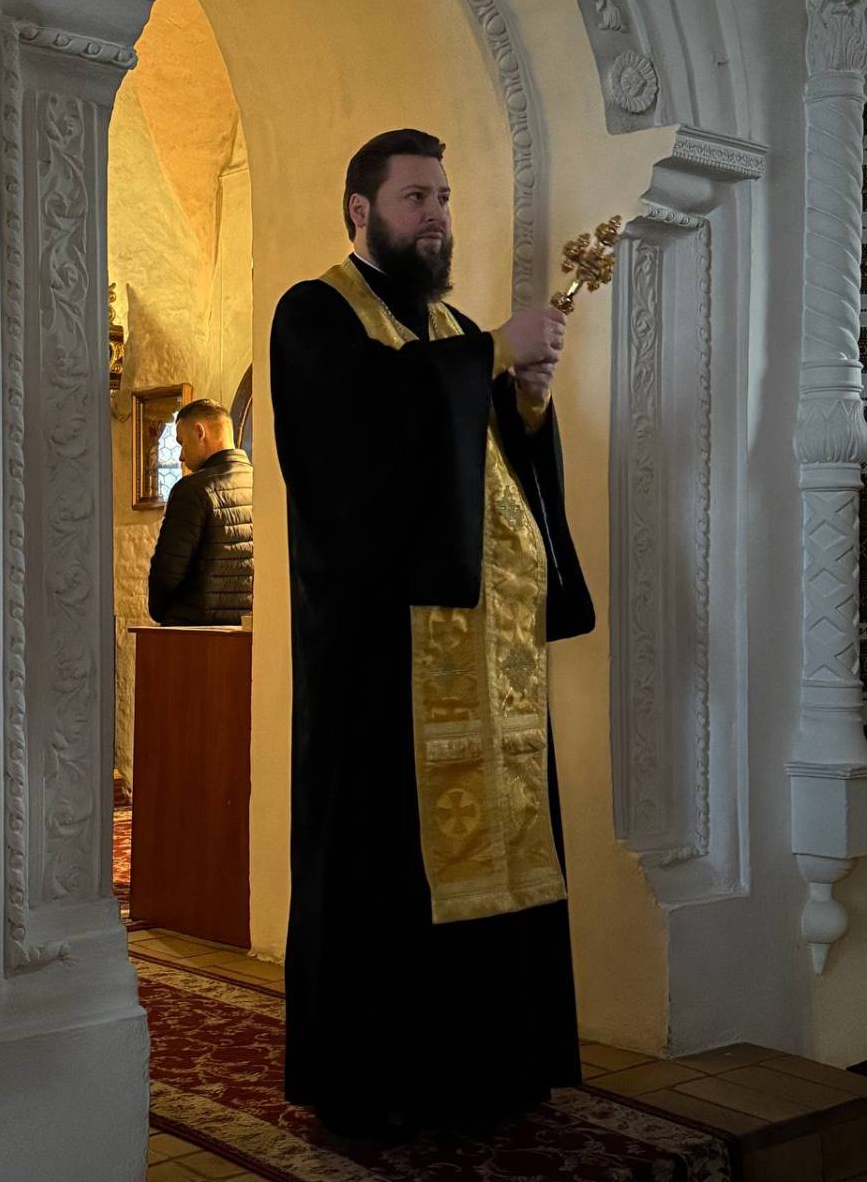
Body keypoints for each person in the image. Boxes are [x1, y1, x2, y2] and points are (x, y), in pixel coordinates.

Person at [270, 128, 595, 1137]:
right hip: (379, 662)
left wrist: (528, 406)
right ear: (360, 211)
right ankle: (378, 1086)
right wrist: (493, 353)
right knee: (384, 870)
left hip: (486, 654)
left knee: (500, 848)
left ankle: (494, 1069)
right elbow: (357, 431)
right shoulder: (316, 312)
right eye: (416, 197)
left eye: (444, 197)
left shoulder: (450, 325)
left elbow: (497, 469)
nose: (437, 216)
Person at [148, 398, 254, 626]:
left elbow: (167, 574)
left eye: (181, 442)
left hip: (195, 629)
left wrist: (162, 613)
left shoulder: (192, 489)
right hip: (250, 631)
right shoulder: (262, 486)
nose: (181, 456)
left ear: (199, 432)